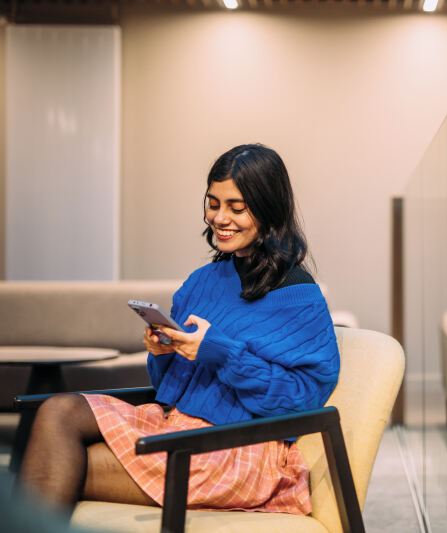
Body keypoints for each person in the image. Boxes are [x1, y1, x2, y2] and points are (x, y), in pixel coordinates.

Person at [17, 144, 340, 515]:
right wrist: (163, 352)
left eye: (237, 208)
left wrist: (218, 352)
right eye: (213, 203)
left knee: (54, 465)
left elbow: (303, 400)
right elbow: (168, 387)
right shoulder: (202, 281)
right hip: (176, 427)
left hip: (236, 449)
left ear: (269, 212)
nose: (220, 218)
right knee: (59, 412)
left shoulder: (297, 295)